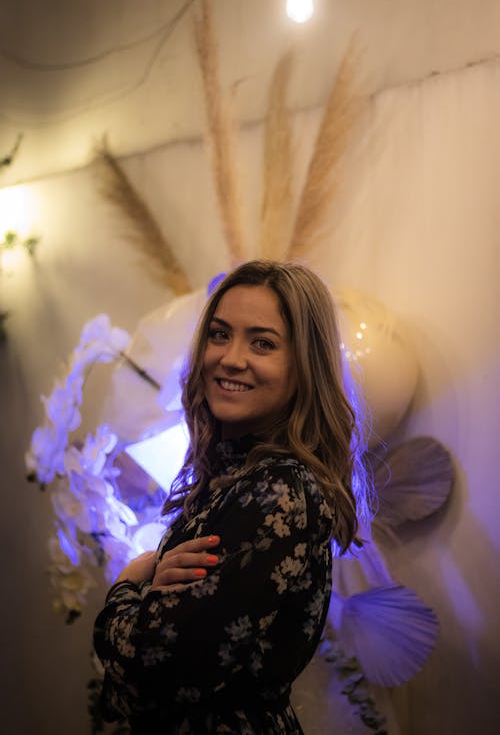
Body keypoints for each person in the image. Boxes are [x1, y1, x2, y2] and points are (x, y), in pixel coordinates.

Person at [93, 260, 371, 734]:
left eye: (262, 343)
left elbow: (154, 669)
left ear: (305, 364)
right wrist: (151, 595)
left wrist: (126, 585)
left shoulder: (279, 490)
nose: (231, 357)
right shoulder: (231, 476)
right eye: (219, 335)